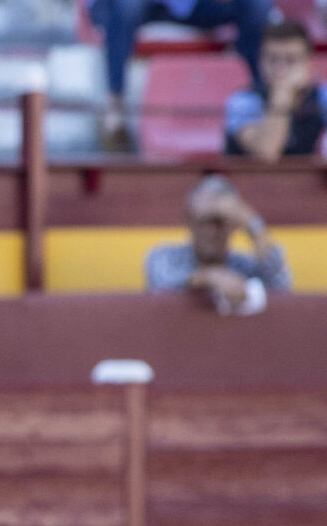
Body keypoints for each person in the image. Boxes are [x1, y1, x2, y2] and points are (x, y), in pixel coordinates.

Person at [93, 0, 268, 152]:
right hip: (121, 6)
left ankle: (259, 98)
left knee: (257, 4)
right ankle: (115, 102)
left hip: (188, 6)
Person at [145, 174, 291, 316]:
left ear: (233, 225)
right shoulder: (166, 257)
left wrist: (253, 224)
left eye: (219, 222)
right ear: (189, 221)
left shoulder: (244, 266)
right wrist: (210, 276)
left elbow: (280, 287)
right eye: (202, 221)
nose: (210, 231)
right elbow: (161, 280)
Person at [226, 21, 325, 161]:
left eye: (291, 60)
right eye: (273, 60)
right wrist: (282, 94)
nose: (281, 69)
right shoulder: (243, 101)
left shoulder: (321, 97)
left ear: (308, 62)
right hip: (249, 182)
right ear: (260, 61)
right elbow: (267, 153)